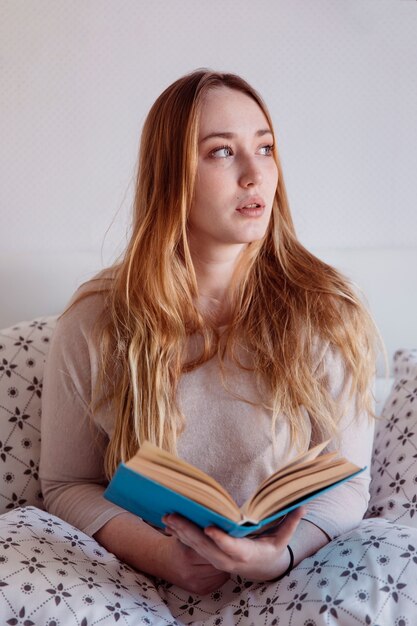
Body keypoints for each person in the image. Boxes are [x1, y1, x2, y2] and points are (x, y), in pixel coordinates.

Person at [39, 69, 379, 596]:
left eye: (265, 148)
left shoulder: (326, 310)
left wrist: (278, 555)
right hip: (134, 587)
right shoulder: (95, 320)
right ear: (171, 173)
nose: (255, 174)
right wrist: (161, 556)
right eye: (222, 152)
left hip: (289, 583)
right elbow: (66, 484)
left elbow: (350, 481)